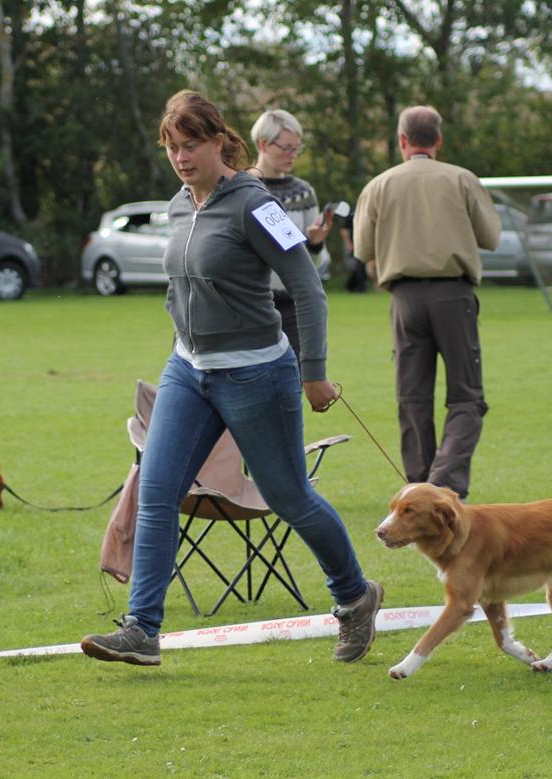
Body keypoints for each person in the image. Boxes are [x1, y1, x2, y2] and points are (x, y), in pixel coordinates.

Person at [81, 90, 382, 667]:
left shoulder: (255, 202)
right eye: (171, 146)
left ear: (221, 141)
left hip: (257, 375)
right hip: (187, 372)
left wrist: (313, 371)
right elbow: (180, 287)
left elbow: (307, 288)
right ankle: (142, 629)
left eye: (191, 144)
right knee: (157, 491)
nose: (181, 157)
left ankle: (354, 596)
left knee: (290, 497)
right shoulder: (176, 206)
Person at [353, 105, 500, 501]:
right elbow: (491, 237)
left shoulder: (379, 185)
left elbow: (363, 248)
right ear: (438, 140)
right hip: (455, 294)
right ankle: (444, 482)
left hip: (404, 298)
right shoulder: (462, 179)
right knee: (467, 397)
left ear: (402, 140)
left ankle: (420, 485)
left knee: (412, 396)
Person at [247, 109, 334, 357]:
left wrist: (315, 245)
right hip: (251, 307)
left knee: (293, 385)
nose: (292, 155)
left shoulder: (303, 193)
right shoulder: (240, 188)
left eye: (296, 148)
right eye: (286, 148)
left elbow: (315, 266)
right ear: (263, 144)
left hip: (294, 308)